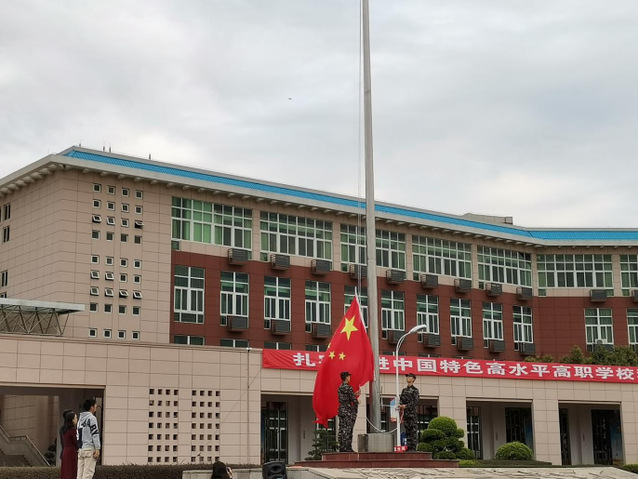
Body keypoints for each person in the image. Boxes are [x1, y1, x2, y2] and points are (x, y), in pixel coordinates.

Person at [77, 399, 101, 479]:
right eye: (95, 405)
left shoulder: (80, 419)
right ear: (91, 407)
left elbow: (78, 434)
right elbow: (95, 433)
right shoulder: (92, 418)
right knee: (88, 474)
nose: (96, 406)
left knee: (80, 475)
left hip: (81, 449)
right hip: (89, 449)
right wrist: (97, 448)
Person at [337, 371, 359, 453]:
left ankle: (342, 446)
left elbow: (345, 397)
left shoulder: (340, 387)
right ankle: (347, 447)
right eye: (349, 376)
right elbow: (353, 400)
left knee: (342, 428)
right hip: (348, 410)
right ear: (346, 377)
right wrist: (357, 401)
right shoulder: (349, 388)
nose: (350, 378)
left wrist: (354, 395)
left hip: (341, 409)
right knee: (348, 429)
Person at [399, 373, 420, 451]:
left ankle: (413, 448)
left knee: (413, 431)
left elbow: (415, 402)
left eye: (409, 377)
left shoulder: (415, 390)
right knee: (407, 431)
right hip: (405, 414)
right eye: (407, 377)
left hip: (412, 413)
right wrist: (400, 405)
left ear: (413, 379)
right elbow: (401, 400)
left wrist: (406, 406)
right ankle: (408, 447)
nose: (407, 378)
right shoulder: (404, 390)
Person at [60, 410, 78, 479]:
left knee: (66, 470)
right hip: (72, 451)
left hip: (65, 451)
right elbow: (76, 442)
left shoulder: (63, 430)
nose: (76, 419)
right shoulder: (73, 430)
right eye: (75, 418)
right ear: (72, 420)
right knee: (72, 470)